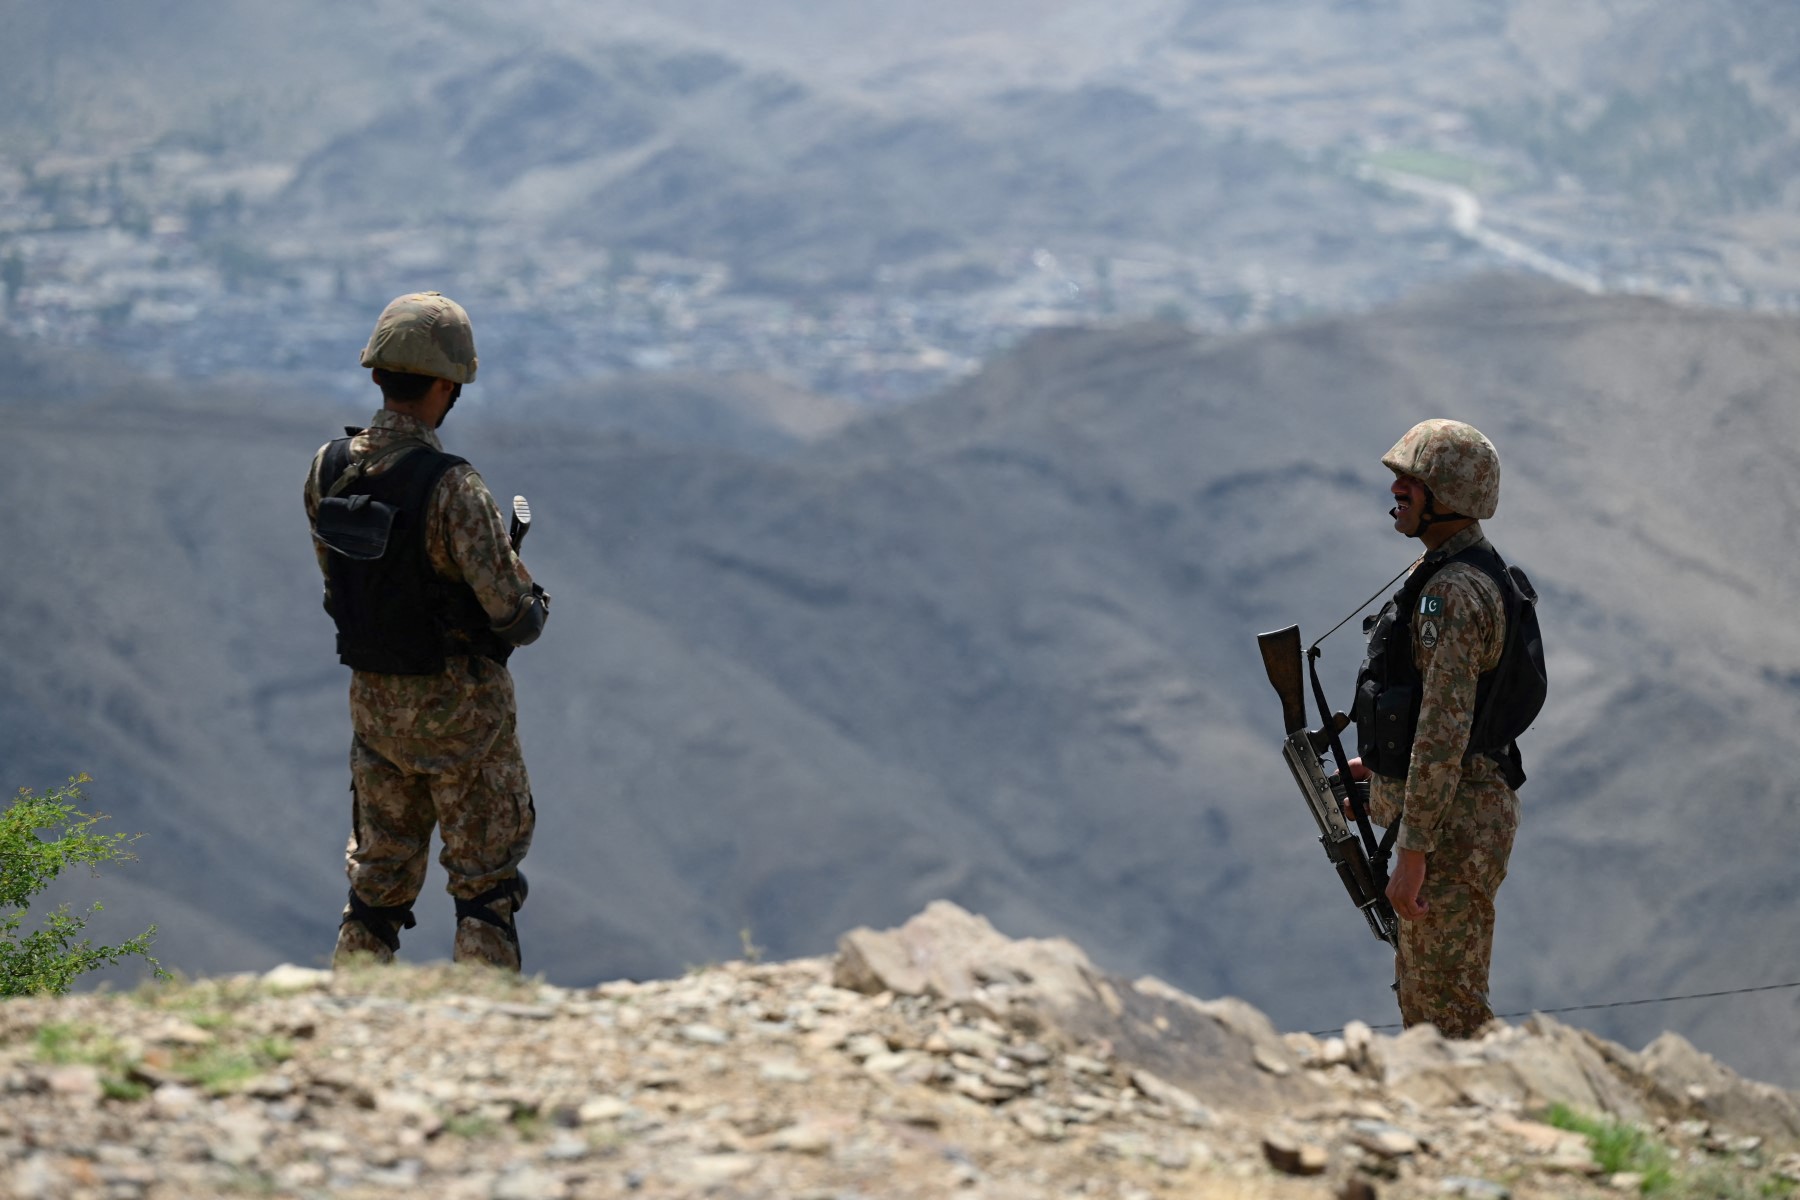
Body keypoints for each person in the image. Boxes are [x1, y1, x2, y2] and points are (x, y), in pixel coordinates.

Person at [303, 291, 549, 971]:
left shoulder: (327, 470)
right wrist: (526, 588)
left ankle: (349, 1024)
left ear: (378, 375)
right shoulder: (454, 488)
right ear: (447, 385)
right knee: (484, 891)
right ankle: (479, 1037)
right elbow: (513, 616)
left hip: (376, 711)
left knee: (376, 889)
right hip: (465, 720)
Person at [1348, 418, 1542, 1038]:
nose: (1398, 490)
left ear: (1449, 496)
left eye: (1414, 481)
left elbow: (1442, 730)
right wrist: (1379, 770)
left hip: (1452, 828)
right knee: (1425, 1003)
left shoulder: (1454, 593)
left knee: (1448, 1014)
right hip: (1445, 815)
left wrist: (1414, 853)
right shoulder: (1437, 574)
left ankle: (1494, 1130)